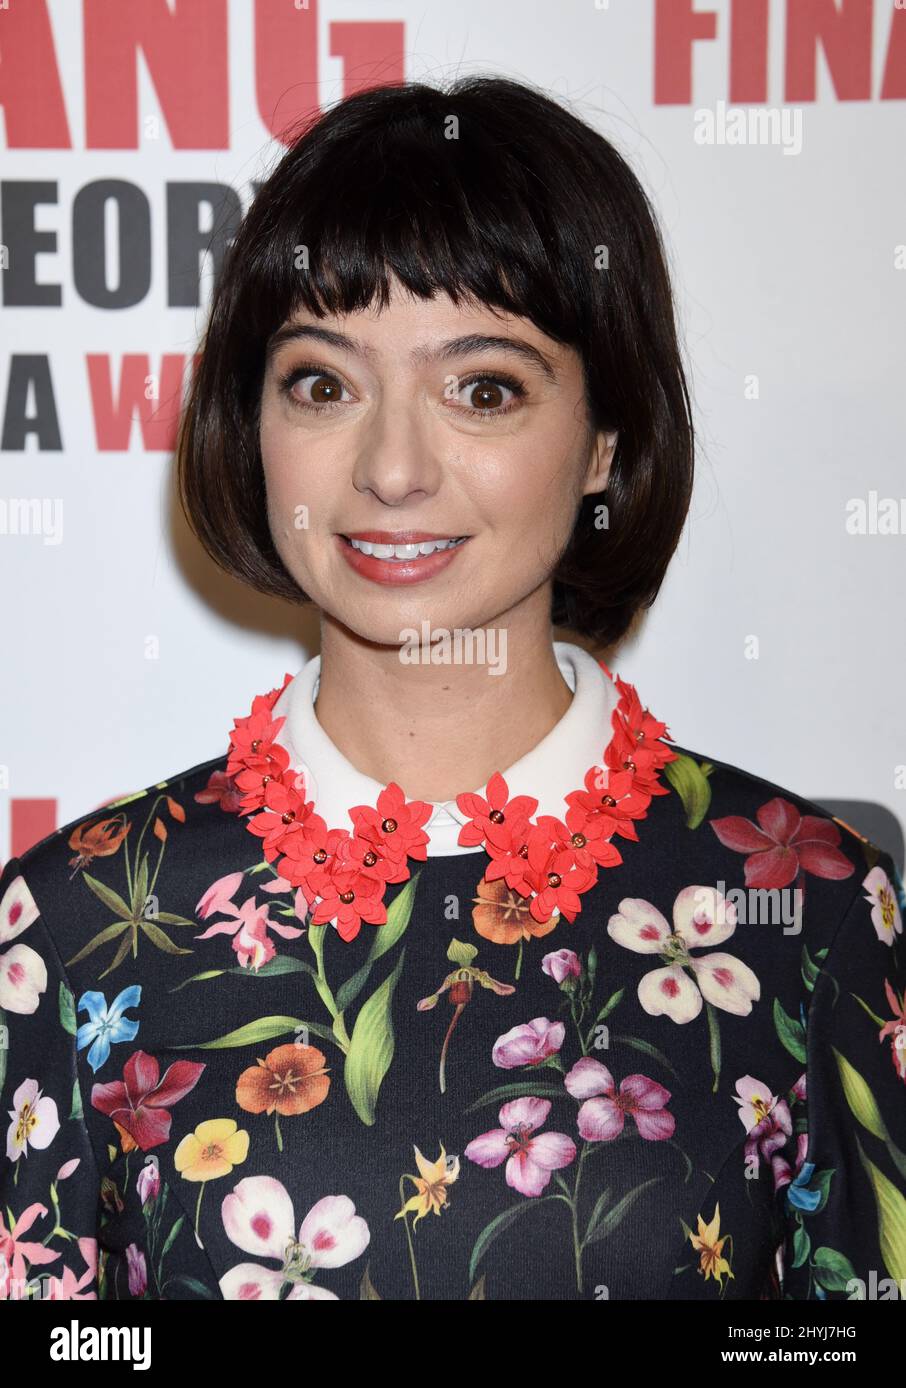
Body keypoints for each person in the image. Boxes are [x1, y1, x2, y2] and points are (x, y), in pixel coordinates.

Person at [1, 76, 903, 1304]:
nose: (391, 468)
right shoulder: (82, 922)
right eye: (324, 383)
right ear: (249, 422)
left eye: (484, 387)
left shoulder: (810, 908)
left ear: (606, 441)